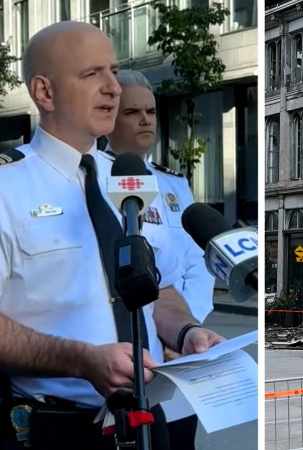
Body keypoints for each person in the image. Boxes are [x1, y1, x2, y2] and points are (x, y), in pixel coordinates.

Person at [0, 21, 222, 450]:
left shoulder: (133, 180)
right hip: (51, 429)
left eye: (112, 71)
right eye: (92, 75)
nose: (112, 88)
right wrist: (82, 360)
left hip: (146, 419)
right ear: (44, 92)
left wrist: (186, 332)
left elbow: (156, 288)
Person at [101, 69, 216, 449]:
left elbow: (197, 266)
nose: (146, 119)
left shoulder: (173, 184)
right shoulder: (92, 181)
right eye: (133, 112)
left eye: (150, 111)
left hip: (179, 355)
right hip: (130, 355)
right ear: (109, 119)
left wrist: (185, 328)